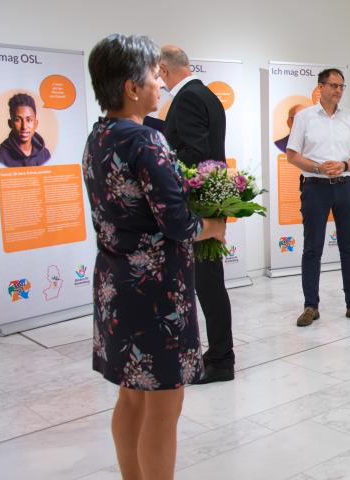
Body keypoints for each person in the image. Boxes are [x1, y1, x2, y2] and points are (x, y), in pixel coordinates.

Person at [84, 34, 225, 480]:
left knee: (131, 395)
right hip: (157, 294)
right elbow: (178, 223)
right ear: (131, 87)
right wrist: (213, 227)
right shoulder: (146, 141)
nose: (159, 84)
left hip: (114, 285)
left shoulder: (99, 136)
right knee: (165, 403)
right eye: (152, 76)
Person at [159, 44, 235, 384]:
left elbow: (195, 152)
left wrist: (160, 154)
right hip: (207, 199)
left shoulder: (187, 98)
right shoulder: (204, 93)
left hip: (198, 202)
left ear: (163, 69)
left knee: (208, 284)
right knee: (207, 283)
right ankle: (218, 355)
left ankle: (221, 359)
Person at [286, 68, 350, 327]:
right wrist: (317, 167)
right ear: (320, 87)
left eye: (341, 86)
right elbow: (292, 155)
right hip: (315, 187)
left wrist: (344, 166)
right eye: (333, 85)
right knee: (312, 248)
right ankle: (310, 306)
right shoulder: (304, 117)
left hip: (345, 186)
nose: (338, 90)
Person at [0, 93, 51, 167]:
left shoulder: (45, 155)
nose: (24, 126)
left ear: (36, 123)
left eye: (29, 120)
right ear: (10, 123)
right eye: (17, 120)